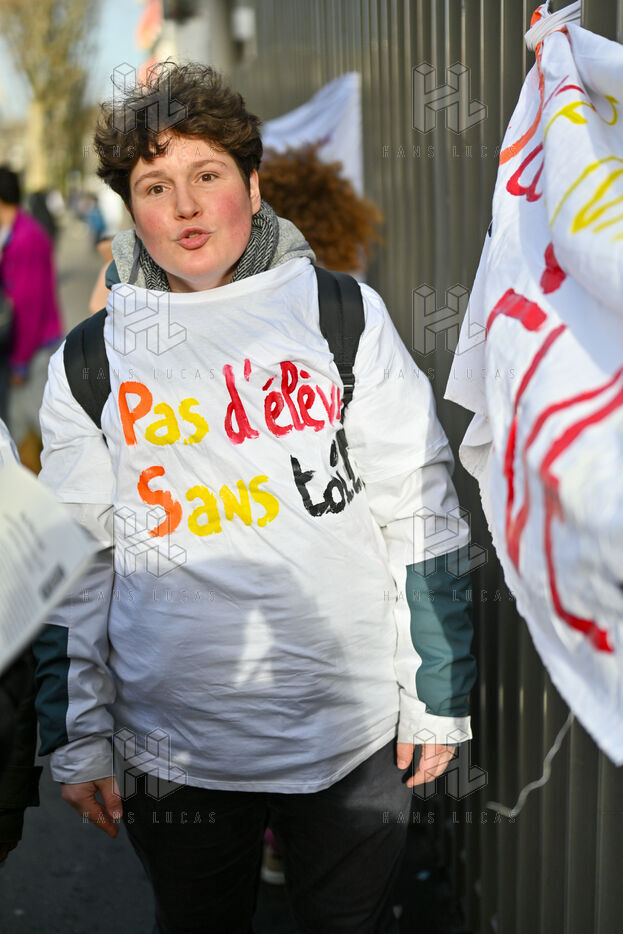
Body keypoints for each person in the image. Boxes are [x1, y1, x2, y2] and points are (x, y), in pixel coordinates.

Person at [33, 63, 476, 934]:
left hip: (352, 736)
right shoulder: (90, 361)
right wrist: (78, 734)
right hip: (175, 751)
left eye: (208, 175)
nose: (186, 206)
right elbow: (74, 565)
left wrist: (437, 696)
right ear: (131, 210)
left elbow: (418, 511)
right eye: (155, 186)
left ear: (253, 185)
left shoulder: (342, 315)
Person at [0, 167, 63, 472]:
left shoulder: (26, 238)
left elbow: (28, 306)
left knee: (39, 424)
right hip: (26, 347)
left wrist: (19, 362)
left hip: (35, 348)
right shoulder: (14, 233)